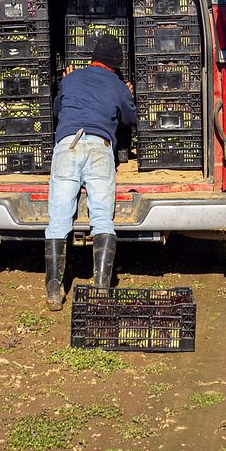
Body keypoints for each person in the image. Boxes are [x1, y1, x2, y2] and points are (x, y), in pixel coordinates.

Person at [43, 35, 137, 310]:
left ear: (93, 58)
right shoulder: (118, 85)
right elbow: (129, 120)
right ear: (116, 65)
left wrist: (66, 85)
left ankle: (53, 291)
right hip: (100, 147)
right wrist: (126, 95)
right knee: (101, 217)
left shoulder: (71, 78)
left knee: (58, 218)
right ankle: (100, 287)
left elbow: (57, 110)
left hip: (67, 146)